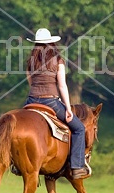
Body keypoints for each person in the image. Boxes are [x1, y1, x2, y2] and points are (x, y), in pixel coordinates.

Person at [24, 28, 90, 179]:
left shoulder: (31, 61)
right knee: (79, 128)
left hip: (31, 100)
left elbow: (30, 82)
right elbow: (62, 86)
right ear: (52, 43)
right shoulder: (58, 60)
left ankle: (16, 163)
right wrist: (68, 107)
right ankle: (76, 166)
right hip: (51, 101)